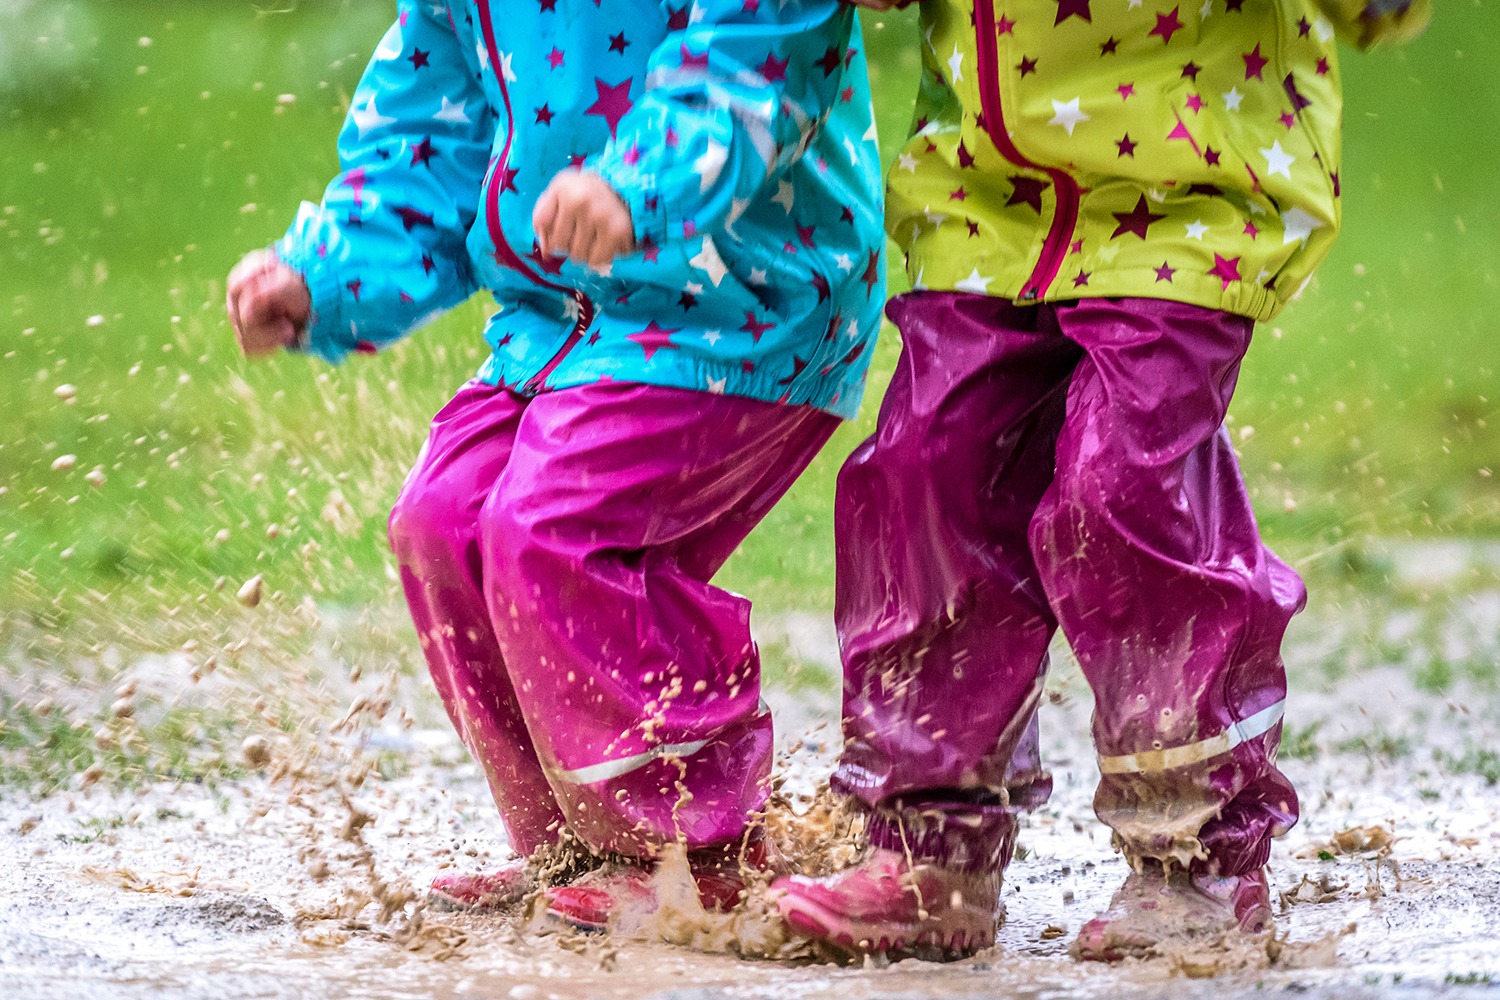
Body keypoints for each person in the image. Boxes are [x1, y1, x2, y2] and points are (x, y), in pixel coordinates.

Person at [772, 0, 1430, 960]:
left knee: (1121, 484)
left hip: (1187, 188)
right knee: (928, 471)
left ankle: (1197, 851)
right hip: (986, 196)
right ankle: (929, 846)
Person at [226, 0, 885, 929]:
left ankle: (689, 851)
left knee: (554, 526)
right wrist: (327, 276)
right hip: (565, 328)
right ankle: (569, 844)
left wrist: (636, 186)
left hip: (741, 308)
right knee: (442, 523)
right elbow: (431, 138)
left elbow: (751, 57)